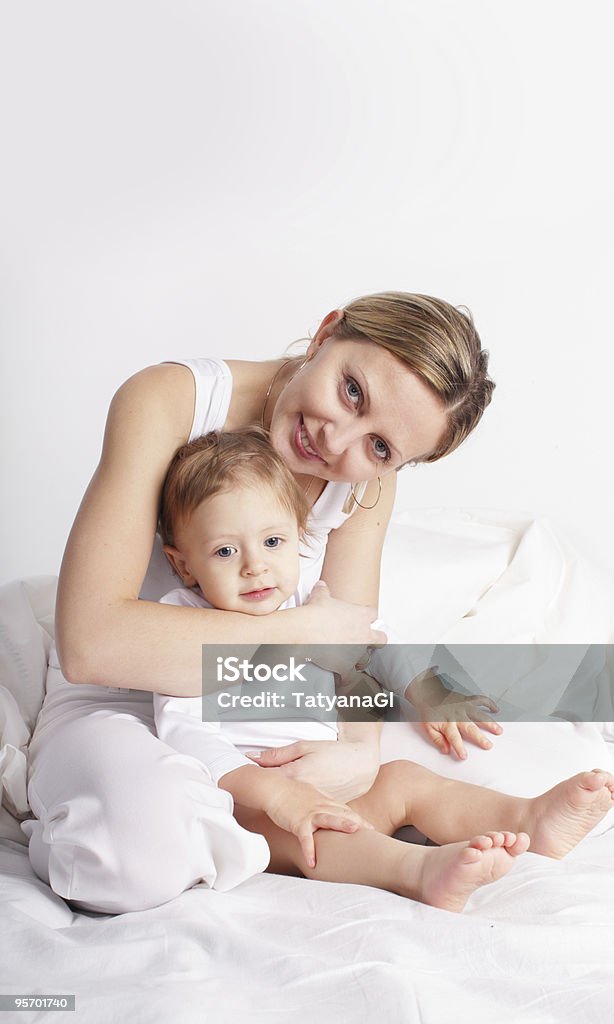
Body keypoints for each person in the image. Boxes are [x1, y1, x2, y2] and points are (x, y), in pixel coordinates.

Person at [25, 293, 507, 913]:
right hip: (112, 706)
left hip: (252, 716)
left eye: (382, 447)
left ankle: (267, 828)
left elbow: (354, 648)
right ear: (326, 333)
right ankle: (196, 822)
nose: (338, 440)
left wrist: (357, 753)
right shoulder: (171, 401)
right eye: (353, 390)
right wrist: (305, 629)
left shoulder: (365, 483)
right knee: (135, 858)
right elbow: (92, 646)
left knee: (432, 767)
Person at [152, 427, 614, 913]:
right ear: (184, 566)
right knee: (317, 834)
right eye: (226, 551)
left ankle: (527, 817)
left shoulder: (309, 602)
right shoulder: (184, 625)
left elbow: (372, 643)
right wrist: (277, 796)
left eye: (272, 541)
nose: (255, 567)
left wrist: (426, 690)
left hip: (338, 786)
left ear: (299, 536)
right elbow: (187, 736)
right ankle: (415, 872)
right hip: (254, 810)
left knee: (405, 781)